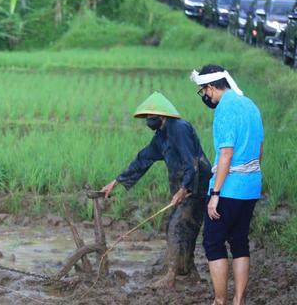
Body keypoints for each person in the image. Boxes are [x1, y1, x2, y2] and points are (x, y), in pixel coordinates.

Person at [101, 92, 211, 288]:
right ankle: (190, 272)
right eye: (147, 117)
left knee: (176, 227)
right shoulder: (161, 136)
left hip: (196, 187)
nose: (148, 120)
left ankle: (171, 276)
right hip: (183, 188)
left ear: (162, 115)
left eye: (151, 116)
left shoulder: (180, 128)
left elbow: (191, 162)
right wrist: (116, 182)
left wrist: (184, 189)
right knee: (184, 228)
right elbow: (143, 159)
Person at [191, 65, 263, 305]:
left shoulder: (225, 109)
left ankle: (220, 301)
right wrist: (249, 177)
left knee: (213, 242)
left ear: (211, 87)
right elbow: (260, 149)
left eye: (203, 91)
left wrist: (216, 193)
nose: (204, 96)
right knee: (239, 241)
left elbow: (226, 154)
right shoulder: (250, 104)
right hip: (251, 186)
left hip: (229, 188)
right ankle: (238, 300)